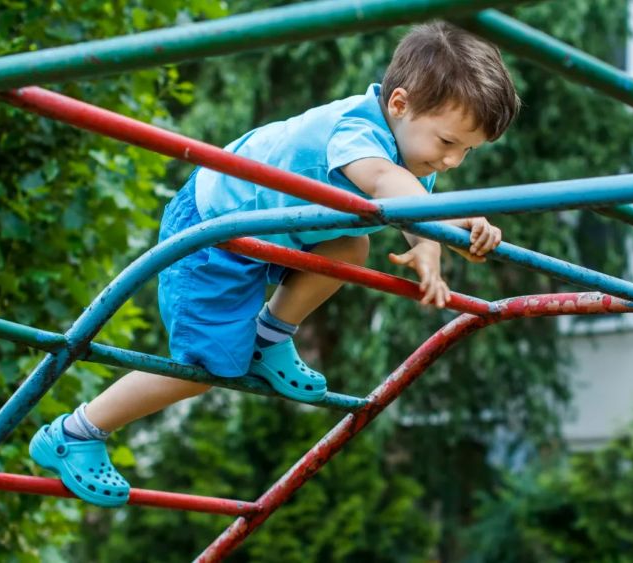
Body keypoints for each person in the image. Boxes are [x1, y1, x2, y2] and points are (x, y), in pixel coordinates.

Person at [29, 21, 520, 507]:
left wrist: (461, 230)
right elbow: (387, 186)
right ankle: (75, 432)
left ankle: (268, 340)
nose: (453, 161)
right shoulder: (358, 131)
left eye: (467, 150)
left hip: (269, 233)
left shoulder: (413, 159)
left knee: (351, 249)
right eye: (447, 142)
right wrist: (433, 240)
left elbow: (415, 207)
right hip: (213, 230)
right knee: (203, 369)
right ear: (398, 104)